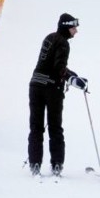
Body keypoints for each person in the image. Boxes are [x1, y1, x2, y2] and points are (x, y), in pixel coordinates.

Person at [27, 13, 83, 177]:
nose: (76, 31)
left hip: (35, 84)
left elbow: (48, 63)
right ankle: (57, 163)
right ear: (67, 27)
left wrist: (73, 74)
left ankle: (35, 163)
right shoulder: (64, 43)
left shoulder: (50, 37)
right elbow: (59, 67)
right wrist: (72, 79)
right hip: (51, 88)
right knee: (55, 126)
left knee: (36, 126)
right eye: (74, 27)